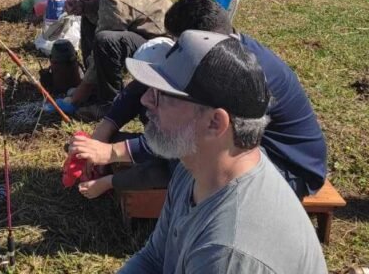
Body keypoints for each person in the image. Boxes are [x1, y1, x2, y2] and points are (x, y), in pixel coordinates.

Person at [69, 0, 328, 200]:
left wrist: (112, 153)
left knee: (183, 159)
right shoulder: (217, 52)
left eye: (179, 43)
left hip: (290, 167)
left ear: (204, 39)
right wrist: (104, 131)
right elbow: (141, 87)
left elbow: (192, 132)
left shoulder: (234, 74)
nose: (174, 49)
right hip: (244, 145)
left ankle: (119, 180)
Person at [116, 29, 328, 273]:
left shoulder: (228, 254)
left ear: (215, 123)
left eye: (162, 95)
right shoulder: (196, 167)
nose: (145, 101)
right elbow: (155, 258)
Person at [48, 0, 171, 118]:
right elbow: (103, 9)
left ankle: (108, 105)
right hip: (141, 31)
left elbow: (105, 40)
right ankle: (94, 86)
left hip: (160, 47)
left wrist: (75, 99)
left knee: (106, 41)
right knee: (92, 19)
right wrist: (84, 7)